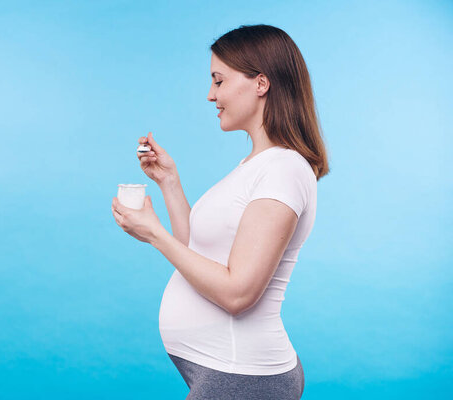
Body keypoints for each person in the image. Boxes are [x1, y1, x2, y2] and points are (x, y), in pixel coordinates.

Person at [111, 24, 329, 399]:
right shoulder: (258, 165)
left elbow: (238, 294)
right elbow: (200, 255)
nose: (211, 95)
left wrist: (155, 235)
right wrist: (169, 182)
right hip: (227, 373)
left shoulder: (283, 170)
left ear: (261, 83)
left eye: (219, 81)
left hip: (242, 376)